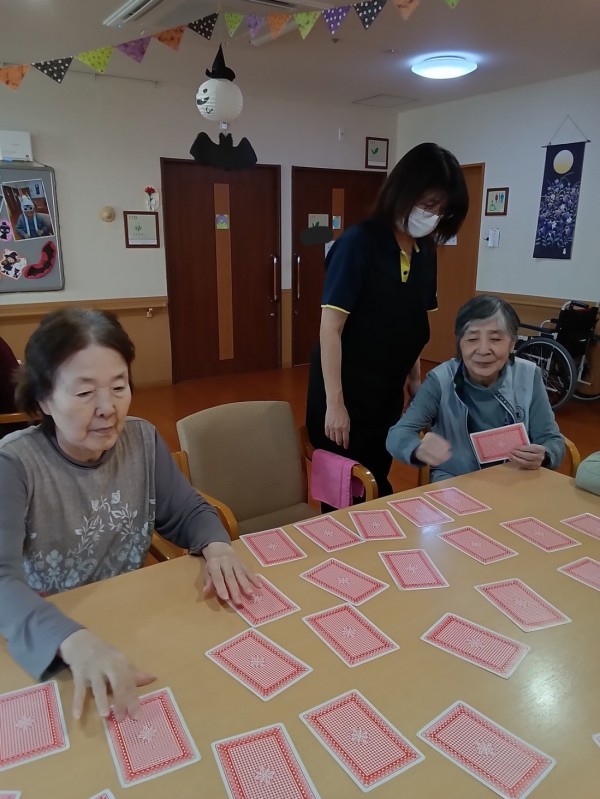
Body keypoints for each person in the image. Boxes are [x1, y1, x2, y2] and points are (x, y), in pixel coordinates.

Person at [0, 308, 260, 720]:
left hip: (134, 617)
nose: (108, 407)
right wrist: (72, 640)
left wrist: (217, 547)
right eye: (84, 393)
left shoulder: (141, 438)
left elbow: (187, 510)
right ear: (44, 399)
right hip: (53, 635)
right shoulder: (14, 464)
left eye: (119, 386)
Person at [305, 142, 469, 499]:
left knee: (376, 474)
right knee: (345, 489)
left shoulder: (425, 251)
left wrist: (414, 379)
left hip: (387, 390)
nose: (433, 216)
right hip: (345, 391)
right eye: (428, 205)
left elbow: (411, 323)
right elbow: (330, 329)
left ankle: (377, 532)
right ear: (403, 192)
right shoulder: (358, 243)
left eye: (441, 210)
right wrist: (335, 404)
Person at [386, 295, 565, 482]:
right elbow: (398, 434)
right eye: (472, 339)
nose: (483, 350)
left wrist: (545, 454)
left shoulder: (528, 375)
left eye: (495, 339)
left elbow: (552, 440)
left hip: (515, 479)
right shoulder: (441, 379)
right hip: (455, 480)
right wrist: (417, 448)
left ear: (512, 343)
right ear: (460, 343)